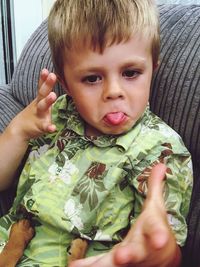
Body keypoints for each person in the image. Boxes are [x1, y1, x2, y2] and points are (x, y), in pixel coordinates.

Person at [0, 0, 193, 266]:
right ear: (66, 83)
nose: (114, 91)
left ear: (152, 70)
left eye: (131, 73)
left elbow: (161, 246)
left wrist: (161, 252)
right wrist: (18, 131)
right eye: (92, 78)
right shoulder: (54, 115)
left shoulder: (162, 150)